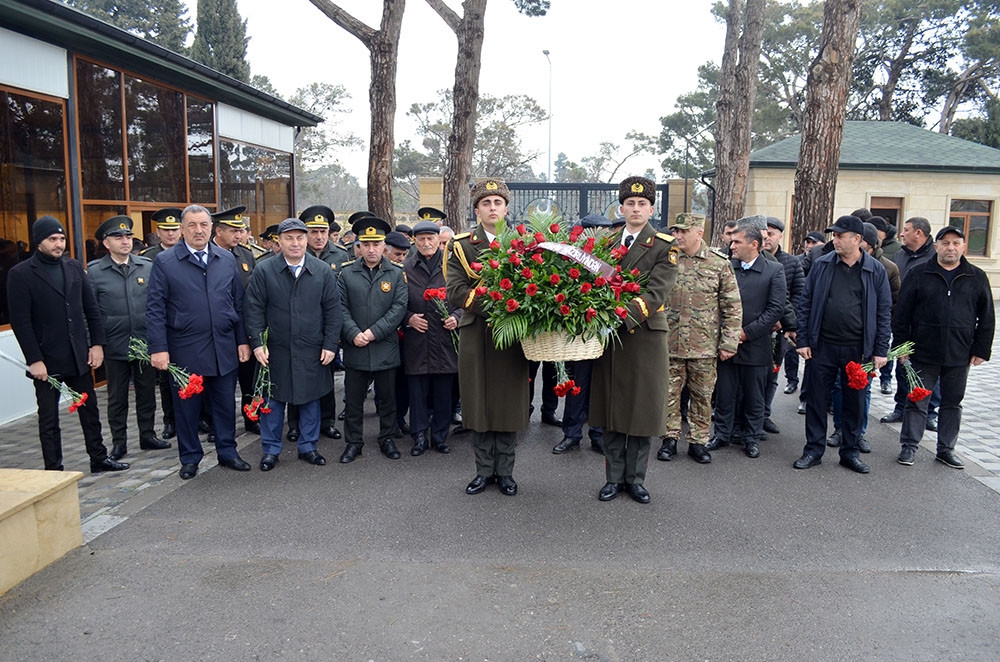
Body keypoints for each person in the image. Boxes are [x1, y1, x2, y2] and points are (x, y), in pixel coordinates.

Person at [6, 216, 128, 473]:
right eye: (52, 239)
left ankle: (98, 458)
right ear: (39, 241)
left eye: (61, 239)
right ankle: (54, 469)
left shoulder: (73, 267)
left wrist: (97, 344)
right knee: (49, 418)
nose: (59, 244)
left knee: (89, 409)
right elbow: (21, 322)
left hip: (77, 355)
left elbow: (91, 310)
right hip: (46, 360)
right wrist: (34, 359)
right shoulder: (20, 274)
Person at [146, 204, 253, 480]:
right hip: (185, 348)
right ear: (182, 229)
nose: (198, 230)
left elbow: (237, 303)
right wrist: (158, 348)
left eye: (203, 224)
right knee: (187, 409)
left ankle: (227, 452)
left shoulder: (225, 259)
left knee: (224, 404)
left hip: (223, 346)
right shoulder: (166, 262)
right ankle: (190, 458)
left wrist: (242, 340)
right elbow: (155, 308)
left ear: (211, 228)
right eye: (192, 225)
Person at [590, 176, 678, 504]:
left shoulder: (664, 245)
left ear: (652, 209)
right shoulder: (607, 242)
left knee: (641, 410)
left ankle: (636, 479)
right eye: (630, 203)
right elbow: (593, 282)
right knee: (612, 407)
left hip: (643, 336)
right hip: (610, 337)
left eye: (642, 204)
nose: (636, 208)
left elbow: (657, 292)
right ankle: (613, 478)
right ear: (622, 208)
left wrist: (618, 316)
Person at [446, 178, 531, 496]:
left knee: (508, 404)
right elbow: (456, 291)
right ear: (477, 210)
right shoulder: (462, 245)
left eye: (497, 203)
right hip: (478, 333)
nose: (492, 208)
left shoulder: (524, 243)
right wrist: (500, 307)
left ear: (506, 209)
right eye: (486, 203)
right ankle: (483, 471)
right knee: (478, 401)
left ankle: (505, 472)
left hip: (512, 337)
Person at [793, 215, 892, 474]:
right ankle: (813, 450)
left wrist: (880, 350)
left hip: (858, 349)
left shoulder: (874, 270)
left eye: (840, 236)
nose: (835, 240)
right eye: (834, 235)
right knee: (817, 400)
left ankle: (850, 452)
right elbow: (805, 303)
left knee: (854, 403)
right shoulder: (822, 265)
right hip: (822, 346)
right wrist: (803, 340)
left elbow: (883, 312)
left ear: (857, 239)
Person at [244, 218, 342, 471]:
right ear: (279, 241)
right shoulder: (264, 270)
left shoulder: (322, 271)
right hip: (275, 349)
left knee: (310, 400)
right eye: (289, 238)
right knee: (273, 402)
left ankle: (308, 447)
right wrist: (257, 344)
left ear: (306, 240)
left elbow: (333, 311)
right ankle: (270, 450)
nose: (295, 243)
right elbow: (253, 309)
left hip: (312, 348)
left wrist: (330, 344)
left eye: (300, 237)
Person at [893, 226, 994, 469]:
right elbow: (902, 313)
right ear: (936, 246)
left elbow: (987, 317)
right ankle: (909, 446)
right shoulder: (919, 273)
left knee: (952, 403)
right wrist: (901, 347)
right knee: (917, 400)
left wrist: (981, 349)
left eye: (956, 243)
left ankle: (946, 449)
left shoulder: (976, 276)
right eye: (945, 243)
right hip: (922, 352)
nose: (950, 247)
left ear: (963, 247)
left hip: (959, 353)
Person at [659, 212, 742, 464]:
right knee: (668, 395)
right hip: (670, 343)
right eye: (676, 231)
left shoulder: (719, 264)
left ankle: (698, 441)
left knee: (702, 396)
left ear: (699, 233)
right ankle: (669, 439)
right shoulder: (667, 260)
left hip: (703, 346)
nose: (678, 235)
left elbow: (732, 306)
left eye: (684, 231)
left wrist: (729, 343)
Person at [87, 215, 170, 461]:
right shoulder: (95, 272)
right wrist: (95, 343)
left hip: (144, 342)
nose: (125, 241)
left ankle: (148, 435)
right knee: (117, 397)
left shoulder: (146, 266)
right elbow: (89, 312)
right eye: (118, 238)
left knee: (146, 393)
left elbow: (158, 303)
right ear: (106, 243)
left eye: (128, 237)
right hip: (115, 344)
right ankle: (119, 442)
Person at [705, 223, 786, 459]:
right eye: (731, 241)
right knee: (725, 393)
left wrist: (745, 333)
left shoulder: (774, 270)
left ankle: (751, 438)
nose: (732, 246)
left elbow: (775, 309)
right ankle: (721, 434)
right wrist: (729, 334)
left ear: (754, 244)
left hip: (756, 345)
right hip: (727, 345)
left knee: (754, 396)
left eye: (737, 242)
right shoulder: (728, 267)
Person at [337, 217, 408, 463]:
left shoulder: (396, 273)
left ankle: (387, 438)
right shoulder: (346, 273)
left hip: (384, 346)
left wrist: (373, 333)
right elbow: (340, 307)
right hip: (355, 346)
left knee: (387, 399)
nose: (371, 249)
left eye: (376, 244)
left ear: (384, 246)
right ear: (358, 246)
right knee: (353, 401)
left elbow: (399, 308)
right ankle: (353, 443)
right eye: (365, 244)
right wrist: (354, 333)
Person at [284, 205, 346, 443]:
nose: (319, 237)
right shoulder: (295, 256)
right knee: (295, 378)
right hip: (299, 329)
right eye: (313, 232)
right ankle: (295, 424)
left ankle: (327, 422)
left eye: (323, 231)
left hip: (327, 329)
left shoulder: (341, 256)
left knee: (326, 378)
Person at [553, 213, 612, 456]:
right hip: (578, 332)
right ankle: (572, 434)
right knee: (577, 384)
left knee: (600, 387)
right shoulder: (571, 257)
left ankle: (598, 434)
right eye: (597, 231)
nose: (603, 235)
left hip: (604, 332)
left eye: (605, 231)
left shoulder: (611, 257)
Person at [401, 220, 458, 455]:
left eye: (430, 238)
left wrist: (456, 317)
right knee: (417, 394)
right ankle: (419, 436)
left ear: (438, 240)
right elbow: (395, 304)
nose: (426, 243)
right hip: (417, 342)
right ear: (414, 241)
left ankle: (440, 436)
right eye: (421, 239)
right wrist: (408, 318)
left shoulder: (452, 266)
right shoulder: (405, 267)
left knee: (443, 394)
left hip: (445, 341)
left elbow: (464, 299)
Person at [882, 216, 939, 427]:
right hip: (903, 320)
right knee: (902, 366)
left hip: (928, 325)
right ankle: (900, 407)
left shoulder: (935, 257)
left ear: (919, 233)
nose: (901, 233)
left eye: (906, 230)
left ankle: (930, 412)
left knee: (930, 370)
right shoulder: (900, 255)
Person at [212, 206, 258, 435]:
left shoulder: (246, 255)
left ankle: (252, 419)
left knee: (250, 380)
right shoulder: (207, 255)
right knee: (220, 384)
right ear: (218, 231)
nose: (238, 235)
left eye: (240, 230)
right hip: (219, 331)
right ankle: (218, 426)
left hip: (245, 328)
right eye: (233, 230)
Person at [141, 207, 183, 439]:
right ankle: (170, 421)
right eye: (166, 230)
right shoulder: (148, 258)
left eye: (174, 229)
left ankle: (200, 418)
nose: (171, 234)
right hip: (164, 326)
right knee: (167, 380)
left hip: (185, 325)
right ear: (158, 232)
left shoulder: (188, 252)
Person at [762, 217, 804, 420]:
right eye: (764, 234)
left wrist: (784, 320)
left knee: (773, 371)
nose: (767, 238)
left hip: (779, 329)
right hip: (756, 325)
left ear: (780, 236)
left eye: (771, 234)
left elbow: (798, 295)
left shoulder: (792, 262)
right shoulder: (754, 259)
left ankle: (765, 414)